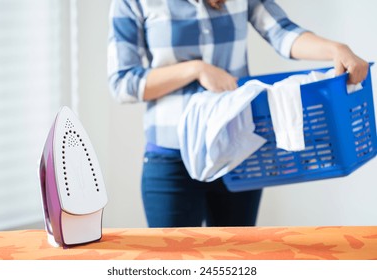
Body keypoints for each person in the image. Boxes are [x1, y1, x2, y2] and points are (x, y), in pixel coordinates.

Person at [107, 0, 369, 227]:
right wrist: (195, 70)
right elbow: (122, 83)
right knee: (172, 265)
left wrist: (336, 49)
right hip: (171, 160)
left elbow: (282, 32)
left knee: (236, 261)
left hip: (239, 153)